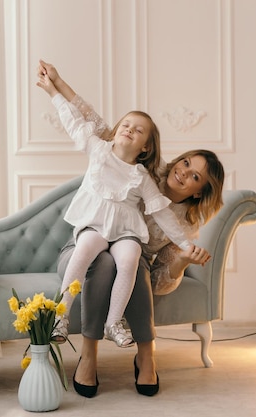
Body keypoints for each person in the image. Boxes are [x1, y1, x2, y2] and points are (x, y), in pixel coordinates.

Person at [39, 60, 225, 397]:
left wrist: (185, 254)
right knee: (105, 259)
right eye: (185, 163)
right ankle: (89, 353)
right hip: (89, 242)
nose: (183, 173)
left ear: (199, 190)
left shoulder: (178, 217)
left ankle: (144, 353)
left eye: (194, 176)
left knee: (132, 260)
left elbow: (162, 280)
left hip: (128, 250)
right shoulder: (134, 162)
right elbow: (87, 118)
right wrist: (57, 85)